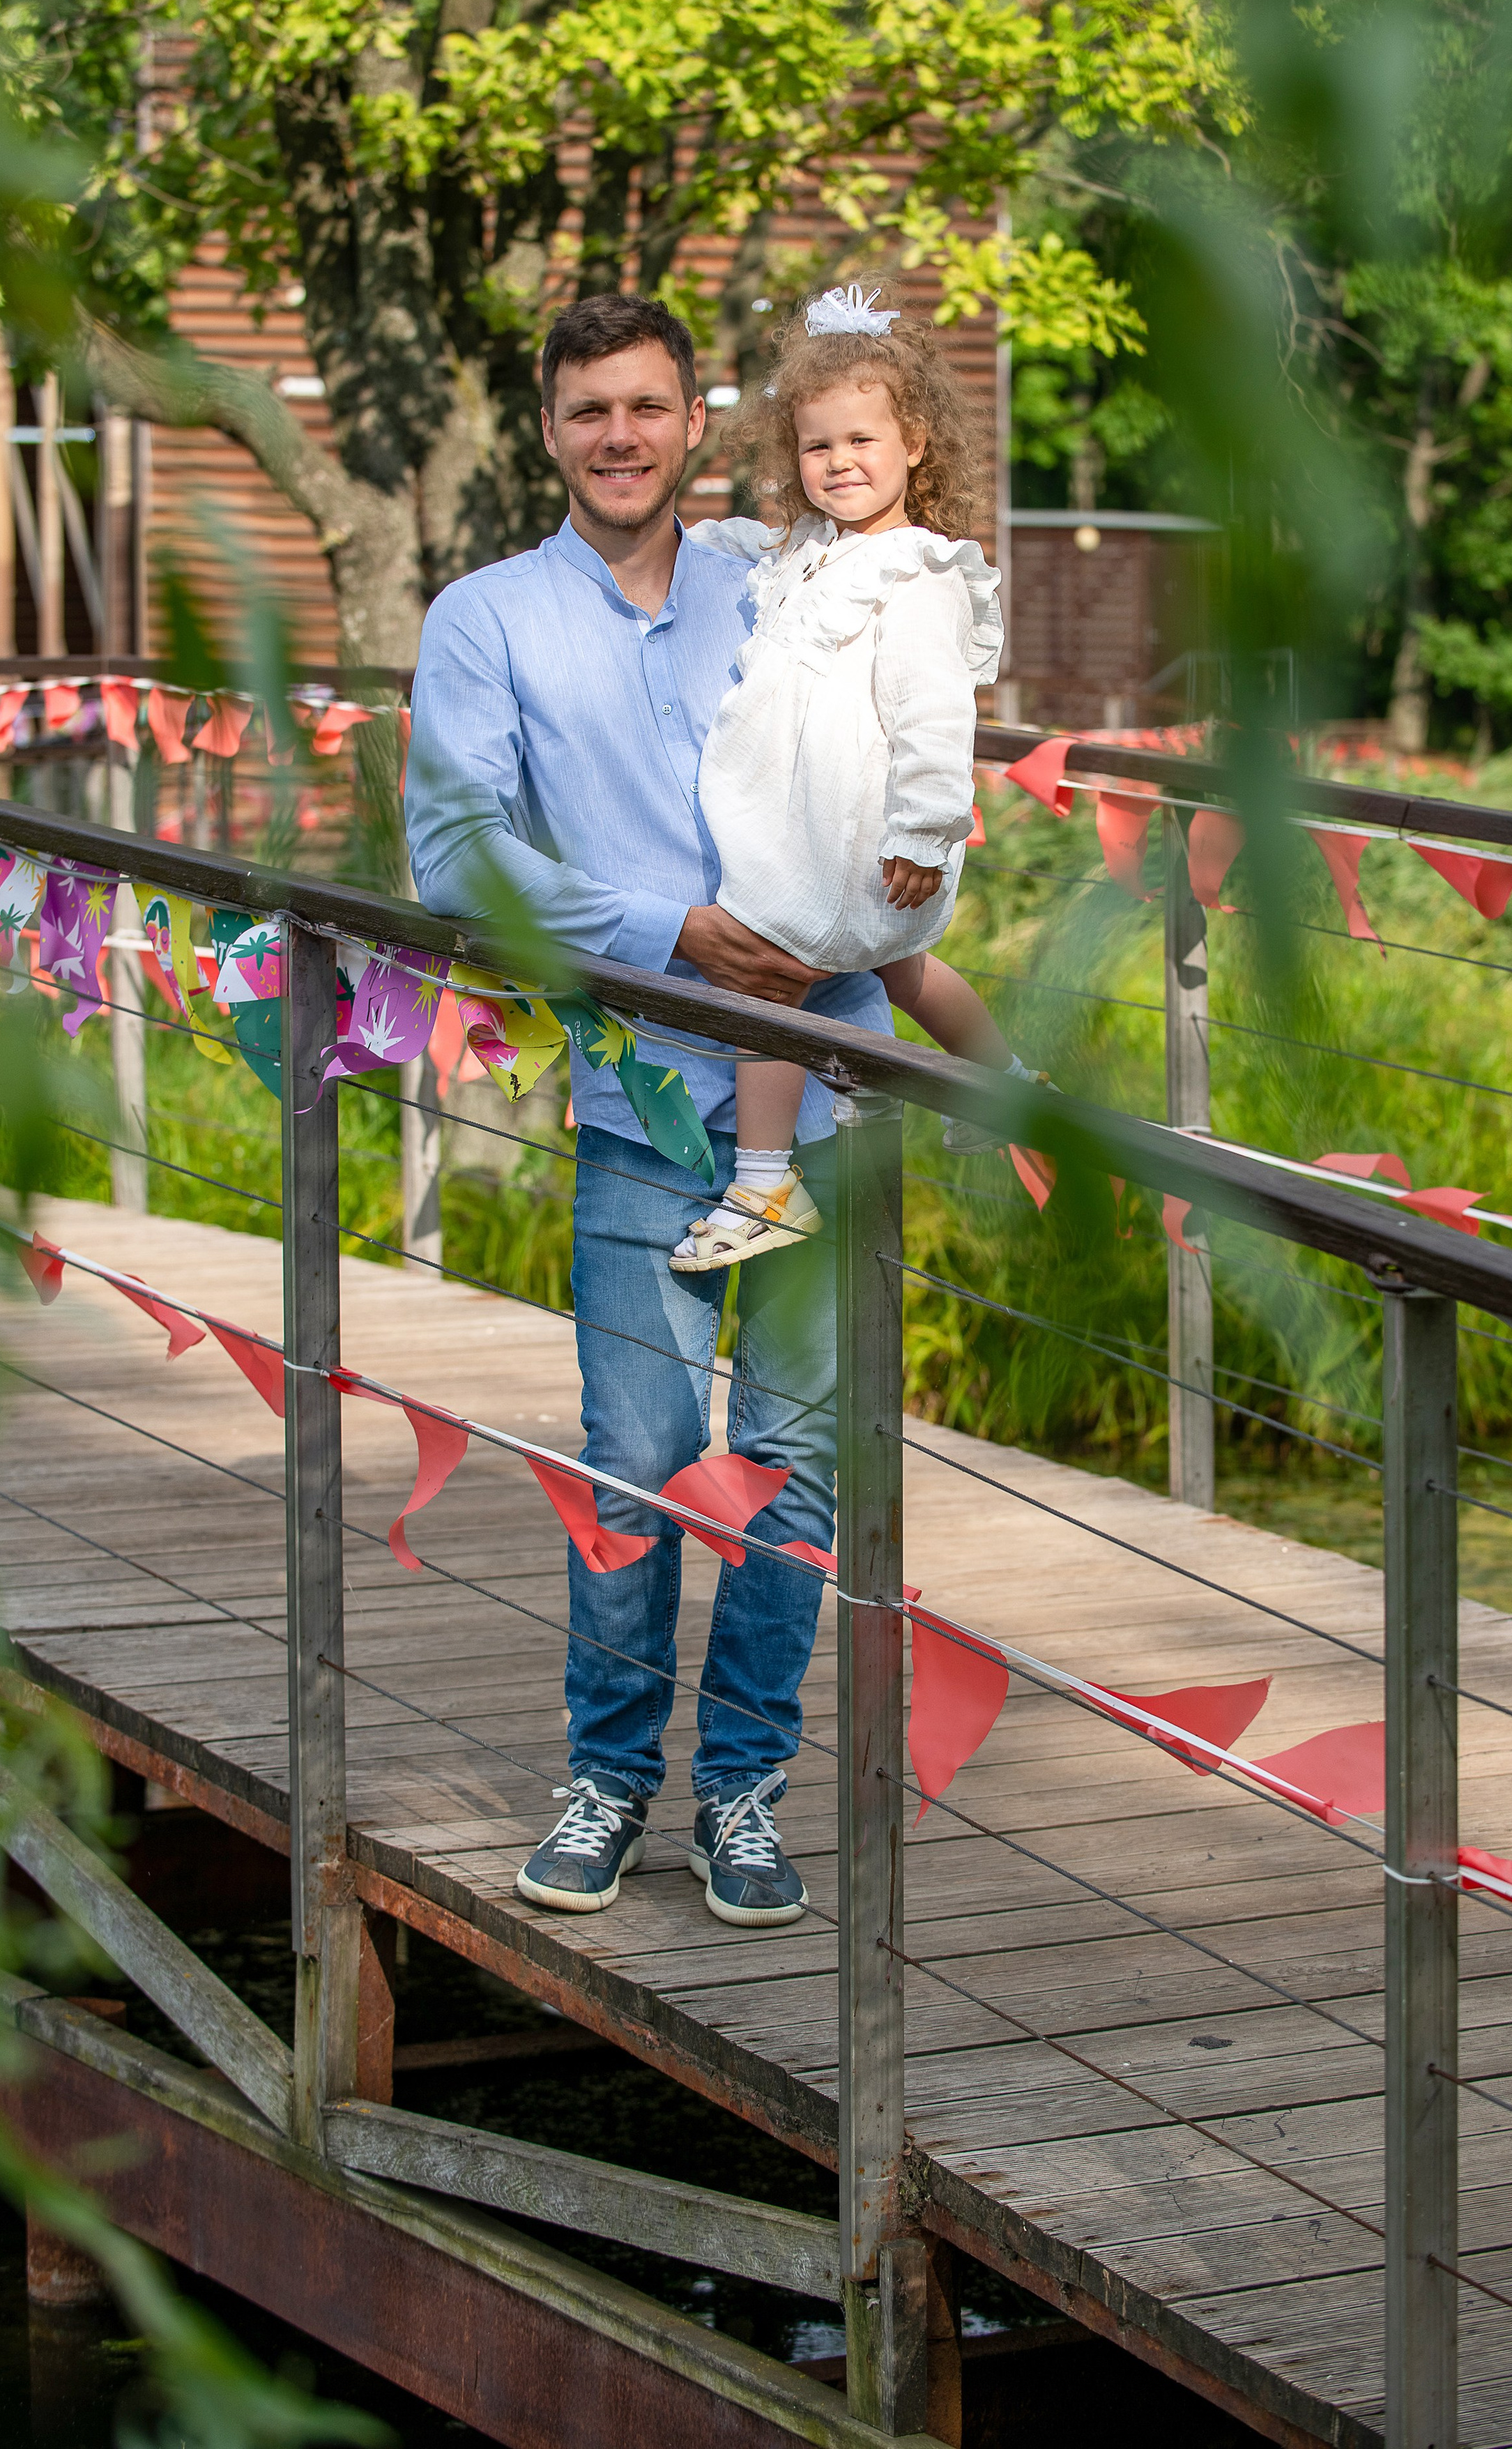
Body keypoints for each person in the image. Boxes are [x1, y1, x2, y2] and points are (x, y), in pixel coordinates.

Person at [405, 291, 897, 1930]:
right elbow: (455, 854)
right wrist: (670, 932)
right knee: (637, 1457)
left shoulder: (786, 578)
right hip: (642, 1104)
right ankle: (609, 1778)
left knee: (795, 1462)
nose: (617, 437)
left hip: (827, 1084)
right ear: (549, 431)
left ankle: (743, 1788)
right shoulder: (487, 620)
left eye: (644, 406)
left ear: (695, 418)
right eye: (586, 411)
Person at [669, 282, 1046, 1275]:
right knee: (902, 965)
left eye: (861, 441)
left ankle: (764, 1184)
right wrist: (684, 543)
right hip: (818, 831)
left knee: (766, 975)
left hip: (855, 839)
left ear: (914, 443)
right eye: (817, 446)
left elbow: (936, 718)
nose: (838, 462)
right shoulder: (814, 551)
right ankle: (1003, 1082)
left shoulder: (917, 575)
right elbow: (752, 552)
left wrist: (926, 831)